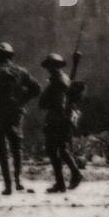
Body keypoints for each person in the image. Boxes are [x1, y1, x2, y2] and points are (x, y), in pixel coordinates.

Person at [0, 42, 41, 195]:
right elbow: (36, 88)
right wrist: (22, 101)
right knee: (16, 148)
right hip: (15, 114)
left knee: (2, 150)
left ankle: (8, 185)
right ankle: (18, 180)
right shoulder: (20, 71)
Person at [38, 53, 83, 193]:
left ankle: (66, 179)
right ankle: (69, 178)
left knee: (53, 149)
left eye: (51, 66)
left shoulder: (57, 81)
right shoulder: (63, 78)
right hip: (62, 119)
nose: (49, 69)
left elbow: (55, 102)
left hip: (58, 119)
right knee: (60, 149)